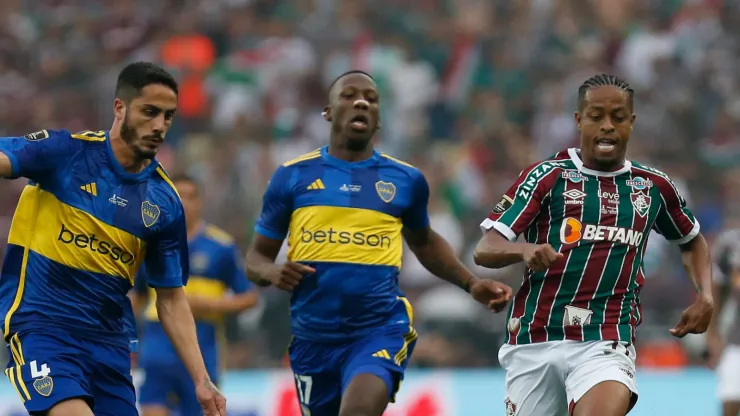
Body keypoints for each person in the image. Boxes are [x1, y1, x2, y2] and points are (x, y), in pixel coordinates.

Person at [245, 70, 513, 416]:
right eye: (349, 96)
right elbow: (255, 258)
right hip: (314, 338)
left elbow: (425, 242)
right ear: (327, 112)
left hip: (379, 328)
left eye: (371, 99)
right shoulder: (292, 176)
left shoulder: (405, 180)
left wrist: (471, 282)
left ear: (379, 119)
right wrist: (272, 272)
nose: (361, 102)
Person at [473, 73, 714, 416]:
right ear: (578, 120)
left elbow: (691, 240)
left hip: (605, 340)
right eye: (596, 116)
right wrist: (525, 250)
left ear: (631, 123)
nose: (607, 127)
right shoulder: (547, 177)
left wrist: (704, 295)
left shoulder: (653, 187)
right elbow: (486, 248)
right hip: (535, 338)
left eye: (617, 118)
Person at [0, 62, 226, 416]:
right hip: (43, 328)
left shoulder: (164, 202)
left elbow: (169, 297)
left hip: (109, 344)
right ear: (120, 108)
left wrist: (202, 378)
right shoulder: (66, 152)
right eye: (149, 112)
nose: (159, 126)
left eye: (167, 116)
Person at [130, 175, 258, 416]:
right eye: (179, 196)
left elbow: (250, 298)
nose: (185, 203)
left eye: (191, 196)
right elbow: (136, 296)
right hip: (158, 345)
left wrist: (211, 305)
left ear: (201, 202)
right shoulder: (149, 243)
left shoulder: (221, 246)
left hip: (203, 346)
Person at [707, 226, 740, 416]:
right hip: (737, 343)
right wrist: (713, 335)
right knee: (730, 403)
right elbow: (717, 294)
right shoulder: (731, 245)